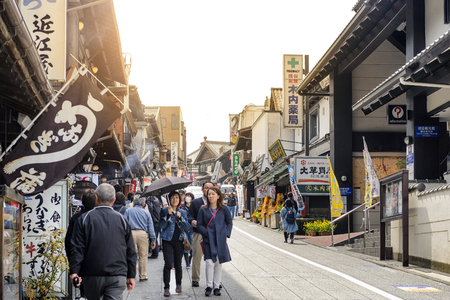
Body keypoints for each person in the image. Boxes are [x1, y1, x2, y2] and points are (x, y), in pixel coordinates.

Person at [69, 183, 137, 300]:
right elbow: (130, 249)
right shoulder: (122, 219)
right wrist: (131, 275)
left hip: (91, 273)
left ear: (96, 197)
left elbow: (77, 247)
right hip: (117, 274)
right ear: (113, 200)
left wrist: (74, 271)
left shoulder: (84, 218)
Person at [197, 187, 233, 296]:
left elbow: (229, 223)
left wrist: (226, 234)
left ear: (218, 196)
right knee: (209, 263)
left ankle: (216, 287)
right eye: (209, 194)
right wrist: (206, 232)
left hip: (220, 240)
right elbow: (199, 224)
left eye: (213, 194)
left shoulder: (224, 209)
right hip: (208, 240)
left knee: (218, 264)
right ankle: (209, 286)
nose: (211, 196)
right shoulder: (203, 209)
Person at [160, 191, 190, 297]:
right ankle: (166, 287)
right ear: (169, 199)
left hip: (179, 240)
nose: (174, 199)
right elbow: (161, 226)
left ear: (179, 199)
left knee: (178, 263)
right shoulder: (164, 211)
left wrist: (181, 217)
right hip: (166, 240)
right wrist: (168, 216)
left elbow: (187, 227)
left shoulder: (183, 212)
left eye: (177, 197)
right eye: (172, 197)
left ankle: (178, 284)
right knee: (168, 264)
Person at [187, 181, 214, 287]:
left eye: (211, 188)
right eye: (206, 188)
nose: (208, 190)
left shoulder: (216, 202)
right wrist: (192, 221)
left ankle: (213, 281)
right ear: (202, 190)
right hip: (198, 233)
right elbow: (189, 215)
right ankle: (195, 279)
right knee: (196, 257)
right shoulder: (195, 202)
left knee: (213, 259)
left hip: (212, 233)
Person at [124, 196, 156, 282]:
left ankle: (130, 275)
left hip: (131, 234)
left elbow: (124, 224)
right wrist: (153, 239)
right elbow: (150, 227)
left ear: (134, 202)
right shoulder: (146, 213)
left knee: (130, 255)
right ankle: (143, 275)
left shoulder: (128, 211)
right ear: (144, 204)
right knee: (143, 256)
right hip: (142, 234)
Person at [65, 189, 96, 259]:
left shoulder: (76, 217)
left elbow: (68, 240)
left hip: (78, 258)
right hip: (95, 259)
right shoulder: (99, 217)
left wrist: (71, 258)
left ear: (82, 202)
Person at [180, 192, 195, 268]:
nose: (187, 198)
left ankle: (189, 259)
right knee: (186, 245)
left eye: (189, 197)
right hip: (184, 229)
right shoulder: (182, 207)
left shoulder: (194, 207)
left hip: (192, 229)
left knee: (192, 247)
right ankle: (187, 263)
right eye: (187, 196)